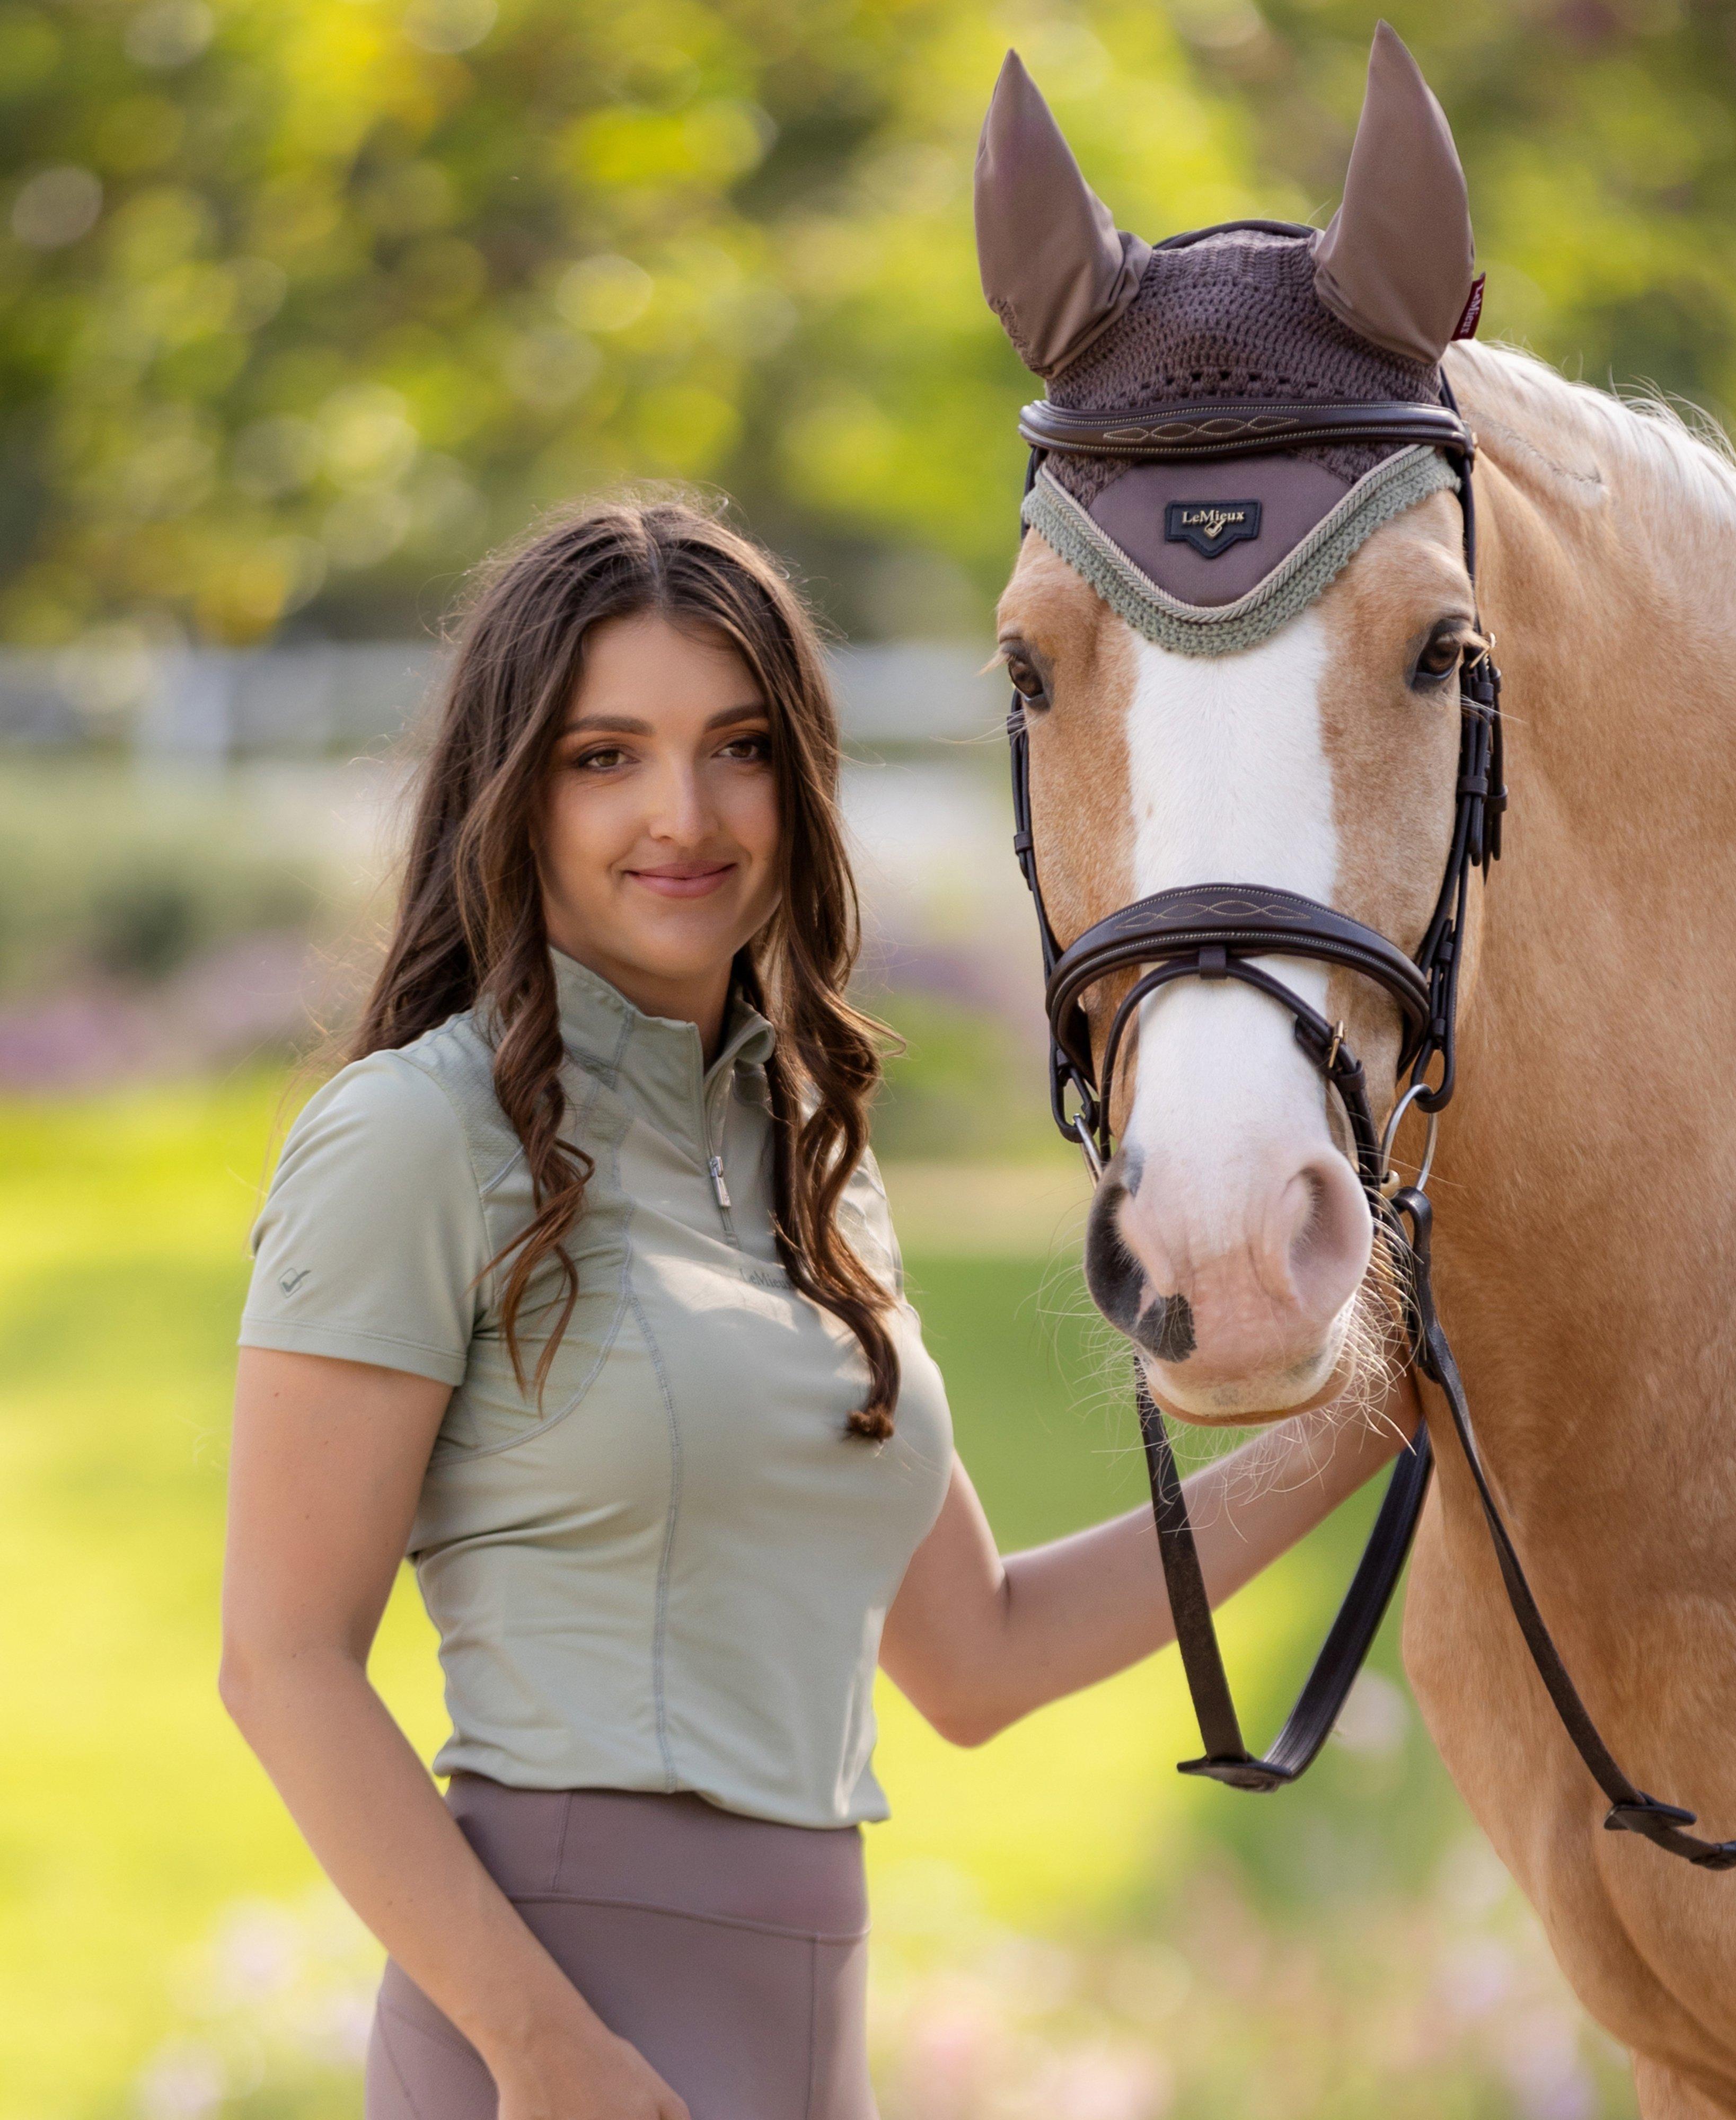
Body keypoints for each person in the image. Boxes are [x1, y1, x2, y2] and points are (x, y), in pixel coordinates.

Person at [218, 494, 1410, 2120]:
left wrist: (1373, 1401)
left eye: (740, 748)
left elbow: (981, 1656)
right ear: (514, 794)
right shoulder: (416, 1137)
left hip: (807, 2025)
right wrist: (539, 2049)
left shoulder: (805, 1159)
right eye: (604, 756)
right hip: (559, 2035)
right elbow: (283, 1658)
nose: (684, 813)